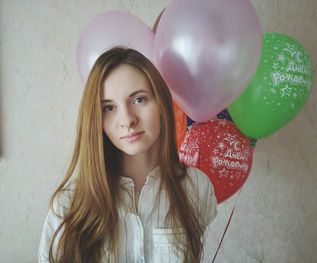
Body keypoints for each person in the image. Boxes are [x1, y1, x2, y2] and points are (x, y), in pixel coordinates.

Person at [38, 47, 217, 263]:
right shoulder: (68, 204)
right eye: (109, 108)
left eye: (139, 100)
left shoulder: (197, 187)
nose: (127, 120)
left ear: (161, 103)